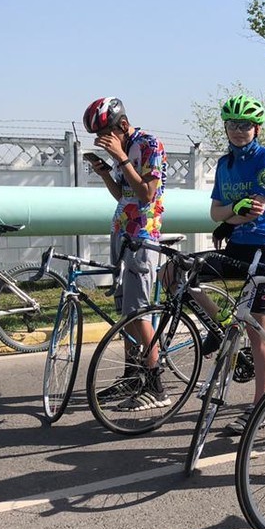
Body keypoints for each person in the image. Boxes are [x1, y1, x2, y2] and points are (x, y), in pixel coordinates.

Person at [83, 96, 169, 411]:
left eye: (106, 135)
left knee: (138, 311)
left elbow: (146, 194)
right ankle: (132, 376)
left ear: (122, 125)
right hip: (121, 231)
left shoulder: (149, 145)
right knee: (125, 312)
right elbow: (124, 194)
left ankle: (156, 385)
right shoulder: (125, 149)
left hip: (142, 236)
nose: (104, 141)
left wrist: (120, 158)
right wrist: (106, 172)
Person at [207, 94, 265, 435]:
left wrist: (230, 213)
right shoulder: (225, 164)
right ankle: (221, 323)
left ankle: (260, 408)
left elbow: (255, 208)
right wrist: (230, 214)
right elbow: (215, 213)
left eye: (245, 125)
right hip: (238, 246)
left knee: (258, 332)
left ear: (257, 129)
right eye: (232, 125)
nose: (238, 131)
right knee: (179, 275)